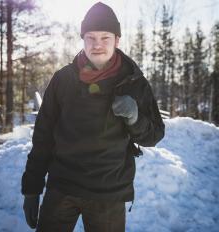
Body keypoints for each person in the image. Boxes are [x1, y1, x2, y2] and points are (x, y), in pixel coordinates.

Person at [21, 2, 165, 232]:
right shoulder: (63, 79)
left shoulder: (134, 82)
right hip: (61, 187)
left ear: (117, 40)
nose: (97, 45)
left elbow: (155, 135)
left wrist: (134, 117)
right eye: (91, 37)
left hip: (108, 193)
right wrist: (32, 188)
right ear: (83, 39)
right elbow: (43, 137)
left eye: (105, 37)